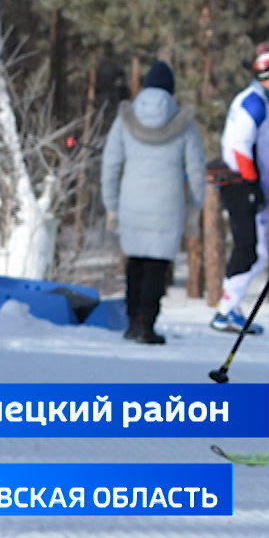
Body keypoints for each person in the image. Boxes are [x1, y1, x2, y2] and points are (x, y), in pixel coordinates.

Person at [101, 60, 206, 344]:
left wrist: (111, 205)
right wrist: (195, 210)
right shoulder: (183, 123)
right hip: (167, 204)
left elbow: (110, 164)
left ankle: (132, 322)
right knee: (156, 268)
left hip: (131, 200)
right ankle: (147, 323)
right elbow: (196, 169)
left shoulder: (125, 118)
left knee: (135, 263)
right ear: (172, 91)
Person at [213, 45, 269, 334]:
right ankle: (225, 311)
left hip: (245, 183)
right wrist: (250, 184)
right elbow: (239, 146)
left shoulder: (258, 101)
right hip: (241, 183)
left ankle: (229, 308)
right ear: (267, 76)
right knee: (250, 250)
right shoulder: (254, 103)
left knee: (252, 250)